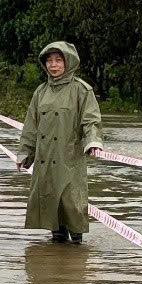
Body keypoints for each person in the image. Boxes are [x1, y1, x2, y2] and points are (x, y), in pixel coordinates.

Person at [18, 41, 103, 245]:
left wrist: (92, 141)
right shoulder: (40, 92)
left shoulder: (81, 90)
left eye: (58, 60)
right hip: (45, 160)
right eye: (49, 61)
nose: (53, 65)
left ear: (68, 62)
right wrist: (24, 154)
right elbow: (31, 126)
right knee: (51, 209)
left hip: (69, 159)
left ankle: (77, 259)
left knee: (72, 206)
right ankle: (56, 259)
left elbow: (91, 120)